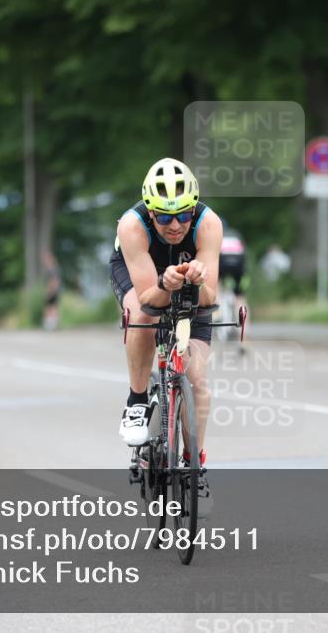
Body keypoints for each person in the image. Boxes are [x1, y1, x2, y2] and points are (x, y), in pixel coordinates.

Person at [109, 158, 223, 514]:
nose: (175, 225)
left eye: (183, 215)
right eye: (164, 217)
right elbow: (148, 299)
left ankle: (194, 467)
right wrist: (164, 282)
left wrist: (198, 280)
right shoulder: (132, 226)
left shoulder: (209, 224)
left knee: (197, 378)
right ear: (150, 212)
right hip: (144, 278)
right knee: (143, 315)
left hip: (190, 283)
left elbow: (210, 298)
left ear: (193, 210)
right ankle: (138, 400)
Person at [219, 225, 247, 312]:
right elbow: (244, 253)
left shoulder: (218, 233)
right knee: (240, 297)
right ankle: (244, 324)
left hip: (222, 263)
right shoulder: (236, 234)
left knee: (216, 287)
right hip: (239, 264)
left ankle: (217, 313)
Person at [41, 250, 62, 331]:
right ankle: (51, 324)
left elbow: (54, 281)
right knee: (50, 307)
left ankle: (52, 325)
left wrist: (51, 291)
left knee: (51, 308)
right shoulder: (51, 269)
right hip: (52, 291)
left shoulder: (52, 269)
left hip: (52, 291)